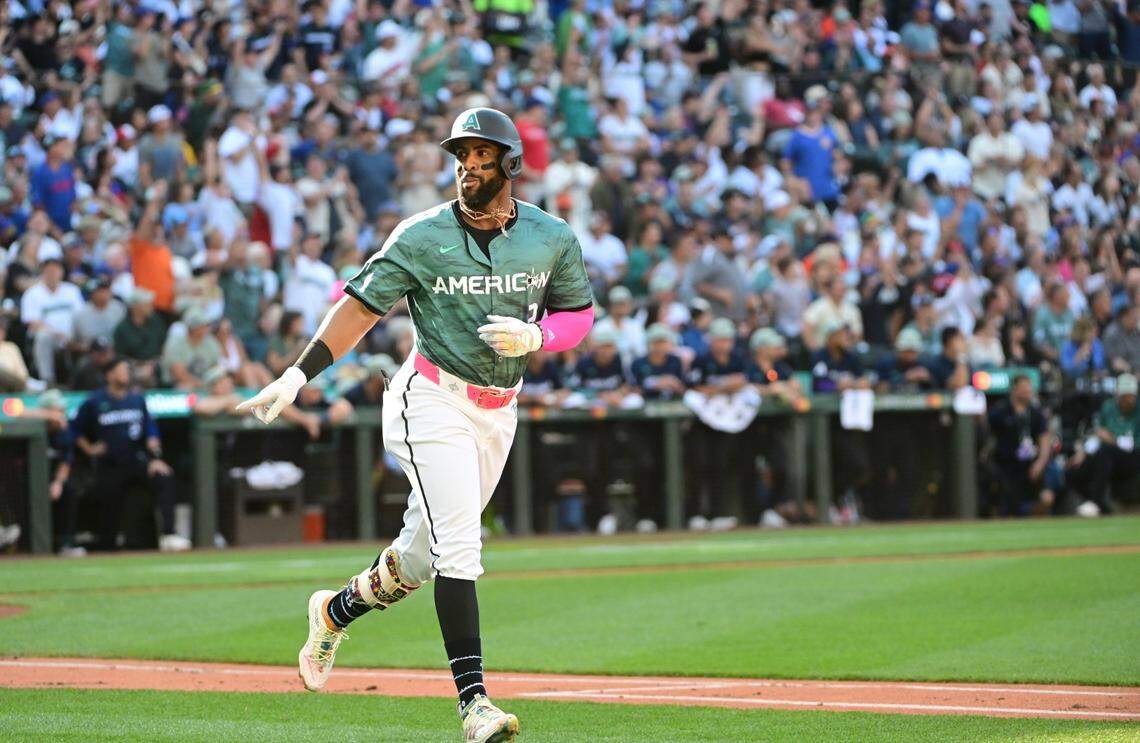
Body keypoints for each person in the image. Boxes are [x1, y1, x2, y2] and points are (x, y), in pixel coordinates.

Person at [238, 107, 594, 742]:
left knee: (425, 553)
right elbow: (360, 308)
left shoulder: (551, 236)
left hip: (497, 409)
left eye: (483, 159)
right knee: (460, 546)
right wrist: (298, 375)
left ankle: (335, 609)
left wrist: (537, 334)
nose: (470, 168)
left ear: (509, 165)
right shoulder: (421, 235)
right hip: (429, 398)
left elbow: (579, 316)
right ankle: (474, 705)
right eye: (463, 157)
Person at [72, 356, 189, 551]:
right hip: (109, 464)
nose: (126, 374)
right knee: (108, 510)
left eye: (127, 370)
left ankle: (169, 534)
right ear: (109, 375)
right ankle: (106, 544)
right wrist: (89, 448)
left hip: (137, 460)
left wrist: (154, 457)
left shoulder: (136, 399)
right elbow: (74, 429)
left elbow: (150, 431)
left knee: (164, 476)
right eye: (121, 370)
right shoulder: (95, 401)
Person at [983, 374, 1053, 516]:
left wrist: (1040, 463)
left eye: (1029, 389)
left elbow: (1045, 440)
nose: (1028, 392)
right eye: (1024, 389)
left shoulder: (1035, 413)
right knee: (1005, 503)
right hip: (1006, 465)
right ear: (1014, 390)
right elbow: (987, 433)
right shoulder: (1000, 411)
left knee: (1046, 498)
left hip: (1030, 464)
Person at [1077, 374, 1140, 515]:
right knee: (1076, 468)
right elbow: (1098, 433)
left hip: (1133, 457)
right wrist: (1083, 452)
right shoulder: (1108, 407)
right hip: (1107, 455)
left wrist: (1113, 439)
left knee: (1106, 451)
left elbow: (1133, 445)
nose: (1129, 400)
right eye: (1125, 397)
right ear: (1118, 396)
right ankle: (1098, 504)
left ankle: (1096, 500)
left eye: (1132, 396)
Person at [630, 323, 686, 401]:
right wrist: (656, 384)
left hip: (671, 400)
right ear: (649, 343)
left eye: (664, 342)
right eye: (657, 342)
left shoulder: (675, 361)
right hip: (646, 401)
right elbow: (634, 389)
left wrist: (673, 384)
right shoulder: (638, 363)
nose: (661, 346)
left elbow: (682, 388)